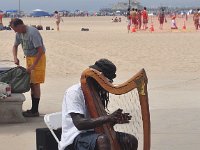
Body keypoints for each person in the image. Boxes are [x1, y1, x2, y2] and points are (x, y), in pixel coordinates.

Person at [60, 58, 138, 150]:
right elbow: (79, 124)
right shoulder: (74, 92)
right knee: (103, 140)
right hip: (75, 138)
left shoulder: (96, 93)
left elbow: (99, 122)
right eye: (107, 81)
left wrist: (114, 120)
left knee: (130, 140)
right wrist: (108, 118)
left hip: (95, 134)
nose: (107, 84)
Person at [10, 18, 46, 117]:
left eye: (15, 29)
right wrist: (15, 57)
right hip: (29, 58)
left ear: (20, 25)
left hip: (38, 58)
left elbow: (41, 50)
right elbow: (15, 46)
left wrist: (33, 66)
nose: (15, 31)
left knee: (35, 84)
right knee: (30, 83)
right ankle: (33, 109)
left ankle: (35, 110)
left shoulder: (33, 33)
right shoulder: (18, 33)